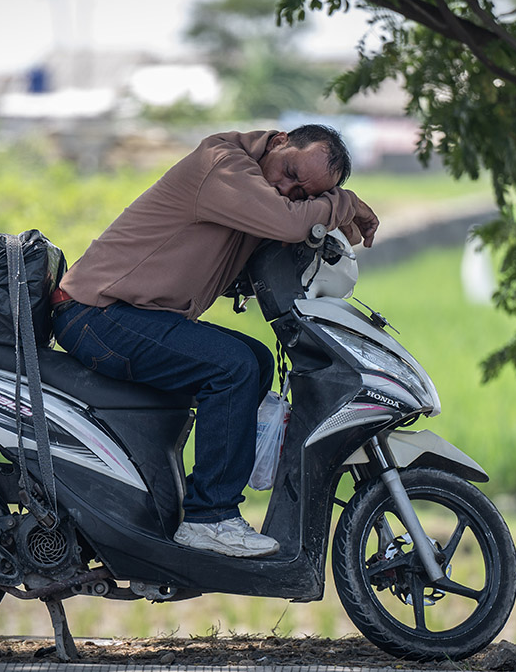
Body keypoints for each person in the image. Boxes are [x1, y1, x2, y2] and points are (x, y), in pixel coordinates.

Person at [51, 125, 379, 557]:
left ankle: (174, 495)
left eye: (302, 192)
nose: (287, 187)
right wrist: (344, 202)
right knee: (232, 367)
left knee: (257, 360)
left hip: (128, 316)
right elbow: (284, 222)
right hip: (97, 314)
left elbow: (278, 226)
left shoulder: (257, 189)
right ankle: (210, 517)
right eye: (290, 171)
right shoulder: (223, 164)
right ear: (280, 141)